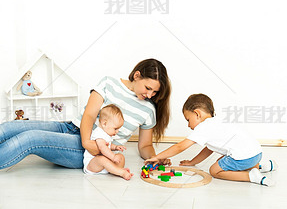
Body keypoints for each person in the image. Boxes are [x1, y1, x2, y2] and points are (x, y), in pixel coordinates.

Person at [0, 58, 171, 170]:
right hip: (72, 128)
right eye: (148, 88)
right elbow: (90, 115)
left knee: (31, 139)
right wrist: (86, 140)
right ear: (137, 75)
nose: (149, 95)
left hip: (92, 150)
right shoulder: (108, 83)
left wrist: (156, 157)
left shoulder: (148, 110)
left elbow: (144, 146)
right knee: (11, 127)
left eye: (154, 92)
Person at [145, 94, 277, 186]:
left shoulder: (203, 127)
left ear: (197, 114)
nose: (188, 125)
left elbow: (180, 147)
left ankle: (251, 177)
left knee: (215, 170)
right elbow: (208, 149)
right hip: (256, 154)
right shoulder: (216, 122)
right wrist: (192, 162)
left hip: (244, 158)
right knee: (223, 160)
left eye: (188, 120)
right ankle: (262, 167)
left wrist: (157, 157)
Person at [83, 104, 133, 180]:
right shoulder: (98, 133)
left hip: (104, 164)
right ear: (104, 123)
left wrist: (115, 147)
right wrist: (113, 157)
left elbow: (108, 145)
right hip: (92, 164)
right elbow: (102, 147)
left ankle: (115, 170)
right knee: (102, 159)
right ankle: (121, 172)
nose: (117, 131)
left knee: (121, 157)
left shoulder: (106, 133)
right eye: (115, 128)